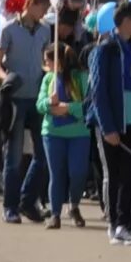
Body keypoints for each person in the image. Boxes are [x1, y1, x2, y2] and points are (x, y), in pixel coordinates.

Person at [88, 4, 131, 245]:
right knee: (114, 175)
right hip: (112, 123)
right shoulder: (105, 50)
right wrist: (108, 127)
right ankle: (112, 223)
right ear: (126, 21)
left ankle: (123, 224)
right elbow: (98, 92)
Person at [0, 0, 51, 225]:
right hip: (16, 98)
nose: (45, 11)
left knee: (43, 154)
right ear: (32, 4)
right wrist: (5, 77)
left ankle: (27, 200)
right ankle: (10, 206)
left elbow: (45, 59)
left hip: (37, 97)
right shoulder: (8, 29)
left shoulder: (45, 31)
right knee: (14, 156)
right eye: (43, 6)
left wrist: (50, 72)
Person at [35, 34, 97, 228]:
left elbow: (88, 105)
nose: (45, 63)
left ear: (58, 60)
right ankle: (55, 214)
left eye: (48, 59)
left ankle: (74, 204)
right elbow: (40, 105)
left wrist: (68, 108)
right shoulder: (48, 79)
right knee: (56, 173)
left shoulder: (81, 77)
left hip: (79, 133)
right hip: (53, 132)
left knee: (78, 172)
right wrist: (49, 103)